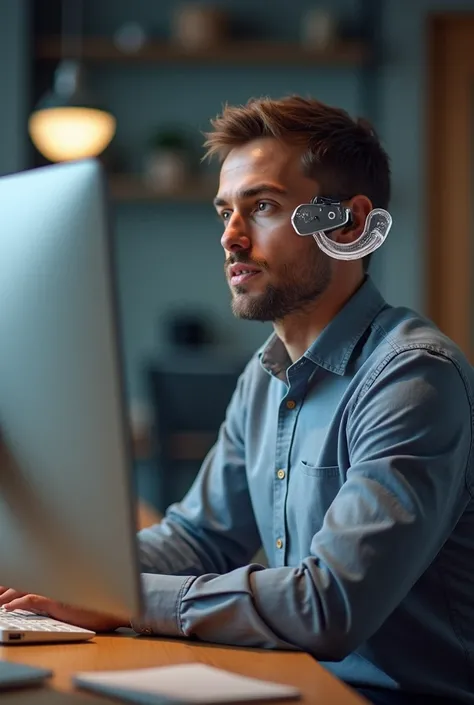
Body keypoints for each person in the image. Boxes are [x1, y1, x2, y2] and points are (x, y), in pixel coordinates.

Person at [2, 96, 474, 705]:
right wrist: (55, 580)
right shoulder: (266, 375)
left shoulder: (412, 379)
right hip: (294, 684)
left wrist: (120, 600)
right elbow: (198, 537)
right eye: (225, 211)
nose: (231, 236)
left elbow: (329, 606)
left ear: (349, 225)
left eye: (264, 207)